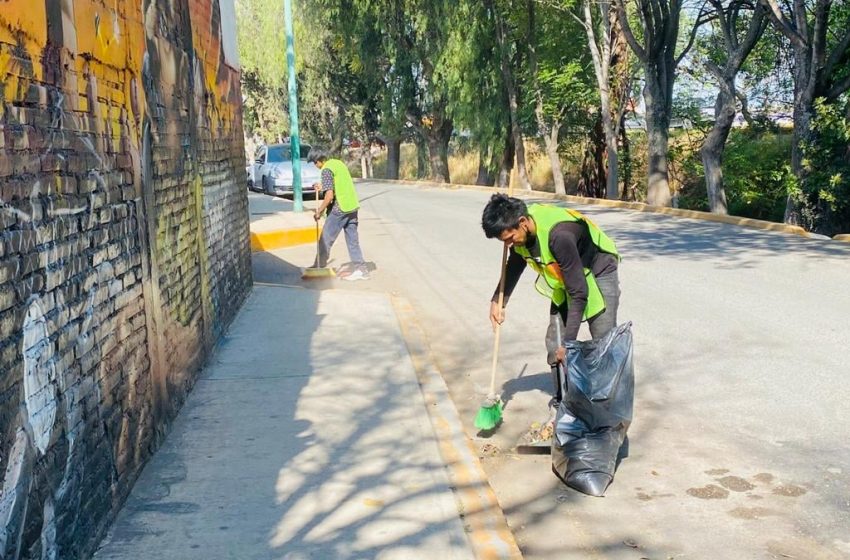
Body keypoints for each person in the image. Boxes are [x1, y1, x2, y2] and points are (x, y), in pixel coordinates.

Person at [481, 194, 621, 406]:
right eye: (504, 241)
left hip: (598, 268)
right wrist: (498, 301)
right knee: (554, 342)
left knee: (603, 342)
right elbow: (515, 264)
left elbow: (579, 293)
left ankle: (609, 407)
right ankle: (562, 402)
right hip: (567, 276)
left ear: (523, 223)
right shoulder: (522, 235)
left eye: (509, 238)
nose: (509, 244)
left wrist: (569, 344)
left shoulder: (559, 236)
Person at [308, 149, 369, 281]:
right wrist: (322, 186)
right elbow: (336, 184)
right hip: (352, 207)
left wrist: (319, 211)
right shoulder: (338, 164)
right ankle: (361, 269)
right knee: (352, 240)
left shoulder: (326, 170)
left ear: (318, 161)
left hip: (340, 208)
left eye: (314, 163)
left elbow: (329, 196)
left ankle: (319, 266)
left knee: (325, 238)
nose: (316, 166)